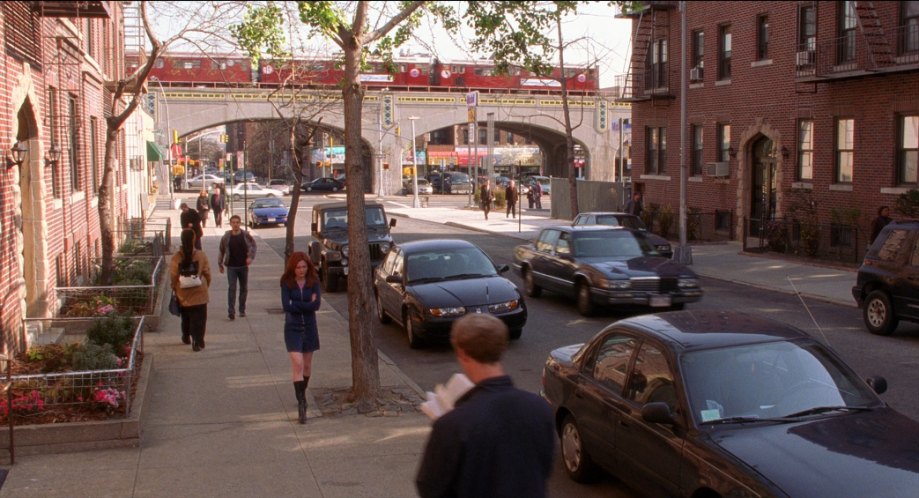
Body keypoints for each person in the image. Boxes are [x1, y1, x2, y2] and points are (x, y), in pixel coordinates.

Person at [416, 314, 554, 498]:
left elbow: (429, 487)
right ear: (502, 348)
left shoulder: (451, 425)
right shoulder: (539, 408)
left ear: (462, 353)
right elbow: (544, 467)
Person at [280, 252, 321, 424]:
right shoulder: (287, 283)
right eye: (298, 267)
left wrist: (296, 304)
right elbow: (285, 306)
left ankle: (302, 393)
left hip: (310, 327)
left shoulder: (314, 282)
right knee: (297, 363)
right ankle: (301, 403)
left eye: (304, 267)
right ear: (293, 268)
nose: (301, 270)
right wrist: (306, 305)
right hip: (293, 328)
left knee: (307, 366)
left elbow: (316, 305)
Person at [169, 229, 211, 352]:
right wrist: (206, 285)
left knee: (186, 316)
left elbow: (173, 275)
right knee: (200, 318)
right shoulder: (201, 255)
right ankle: (198, 340)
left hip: (183, 293)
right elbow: (207, 273)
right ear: (193, 239)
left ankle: (186, 336)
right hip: (199, 292)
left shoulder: (177, 257)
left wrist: (175, 286)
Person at [218, 215, 257, 320]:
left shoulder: (245, 235)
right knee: (232, 288)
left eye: (237, 222)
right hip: (231, 267)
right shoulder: (226, 237)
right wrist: (220, 264)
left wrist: (250, 257)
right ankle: (231, 311)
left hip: (243, 266)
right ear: (230, 224)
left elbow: (253, 245)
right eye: (233, 222)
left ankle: (242, 309)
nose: (235, 224)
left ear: (240, 224)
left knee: (244, 288)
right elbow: (221, 250)